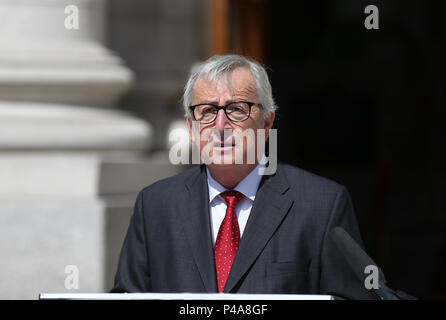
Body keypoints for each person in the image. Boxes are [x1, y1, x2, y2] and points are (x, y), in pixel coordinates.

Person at [111, 54, 377, 299]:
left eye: (237, 109)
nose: (220, 126)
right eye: (207, 111)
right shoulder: (155, 205)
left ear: (267, 122)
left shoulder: (323, 205)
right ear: (191, 128)